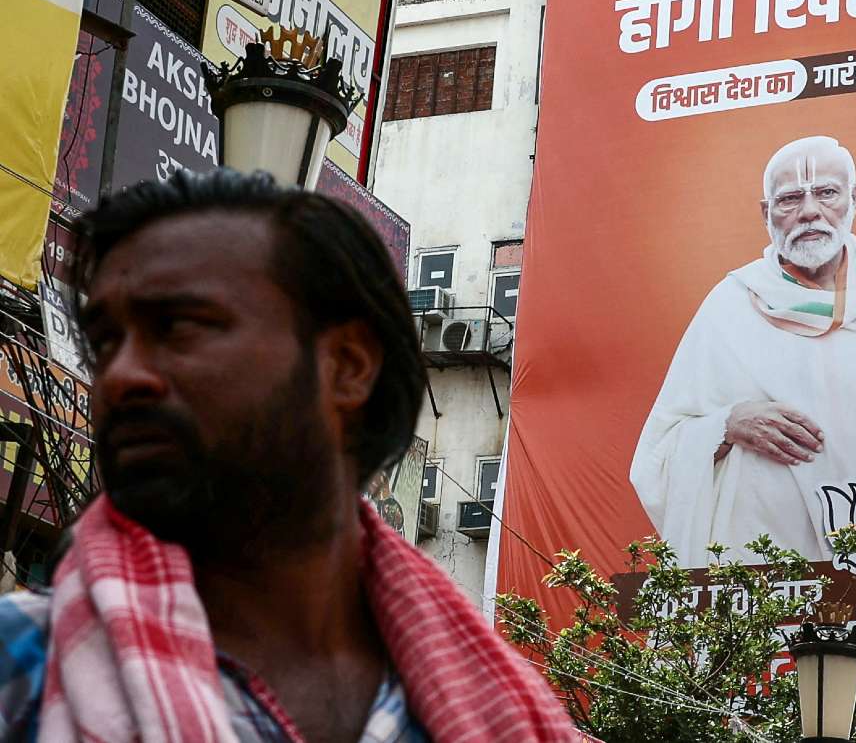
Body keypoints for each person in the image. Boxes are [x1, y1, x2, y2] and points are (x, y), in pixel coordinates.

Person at [0, 170, 574, 742]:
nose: (119, 375)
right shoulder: (21, 672)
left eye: (179, 327)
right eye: (104, 343)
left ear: (347, 367)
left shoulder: (508, 716)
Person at [629, 135, 856, 613]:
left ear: (854, 198)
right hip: (762, 559)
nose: (810, 211)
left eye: (827, 193)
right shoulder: (730, 304)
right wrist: (725, 424)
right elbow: (657, 455)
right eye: (790, 198)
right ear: (765, 212)